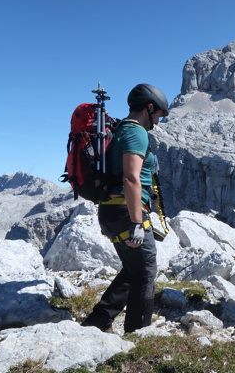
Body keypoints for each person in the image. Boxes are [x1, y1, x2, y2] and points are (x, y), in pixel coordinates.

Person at [82, 83, 169, 334]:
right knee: (145, 272)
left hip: (112, 211)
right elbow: (131, 178)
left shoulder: (119, 129)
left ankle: (100, 319)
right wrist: (137, 222)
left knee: (134, 269)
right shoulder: (136, 132)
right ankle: (138, 335)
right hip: (126, 212)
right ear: (149, 108)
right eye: (159, 115)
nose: (158, 121)